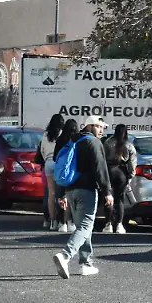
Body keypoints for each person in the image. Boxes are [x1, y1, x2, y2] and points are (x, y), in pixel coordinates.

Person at [51, 115, 112, 279]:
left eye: (103, 127)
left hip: (70, 190)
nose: (102, 130)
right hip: (87, 190)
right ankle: (65, 256)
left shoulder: (73, 141)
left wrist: (61, 193)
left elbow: (65, 166)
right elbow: (101, 169)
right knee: (85, 226)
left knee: (83, 228)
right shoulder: (93, 142)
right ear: (90, 127)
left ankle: (86, 263)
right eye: (99, 126)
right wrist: (107, 191)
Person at [103, 124, 136, 234]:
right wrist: (130, 175)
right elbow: (132, 164)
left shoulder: (108, 143)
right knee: (120, 199)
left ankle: (108, 224)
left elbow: (102, 158)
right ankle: (119, 225)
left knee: (108, 197)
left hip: (109, 171)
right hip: (121, 172)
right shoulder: (129, 145)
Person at [35, 114, 65, 230]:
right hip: (59, 162)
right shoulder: (62, 134)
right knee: (62, 193)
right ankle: (63, 221)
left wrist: (47, 158)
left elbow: (42, 150)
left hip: (48, 163)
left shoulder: (46, 135)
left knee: (51, 194)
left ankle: (52, 221)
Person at [52, 118, 79, 233]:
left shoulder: (60, 139)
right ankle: (71, 222)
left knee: (61, 197)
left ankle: (61, 223)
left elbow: (55, 157)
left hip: (62, 172)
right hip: (74, 173)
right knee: (73, 198)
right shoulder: (78, 140)